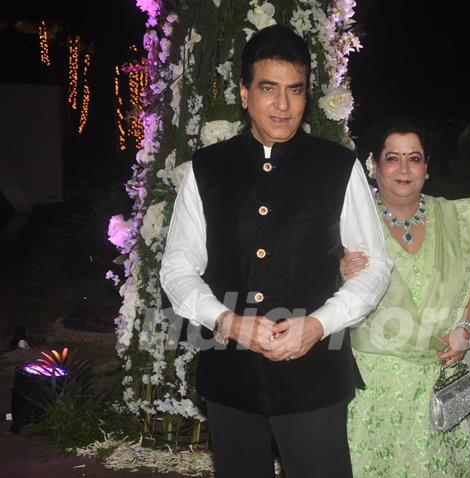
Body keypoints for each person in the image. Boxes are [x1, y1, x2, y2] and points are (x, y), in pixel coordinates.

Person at [159, 25, 393, 478]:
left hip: (314, 378)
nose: (283, 105)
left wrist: (319, 324)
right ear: (245, 93)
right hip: (231, 379)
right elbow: (178, 267)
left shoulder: (338, 166)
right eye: (269, 89)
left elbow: (376, 265)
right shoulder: (208, 169)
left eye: (295, 90)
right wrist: (225, 322)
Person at [341, 116, 470, 477]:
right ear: (374, 166)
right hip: (375, 384)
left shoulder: (456, 218)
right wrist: (339, 272)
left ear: (427, 167)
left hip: (442, 371)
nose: (404, 169)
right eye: (392, 158)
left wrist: (465, 330)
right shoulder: (350, 222)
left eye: (414, 158)